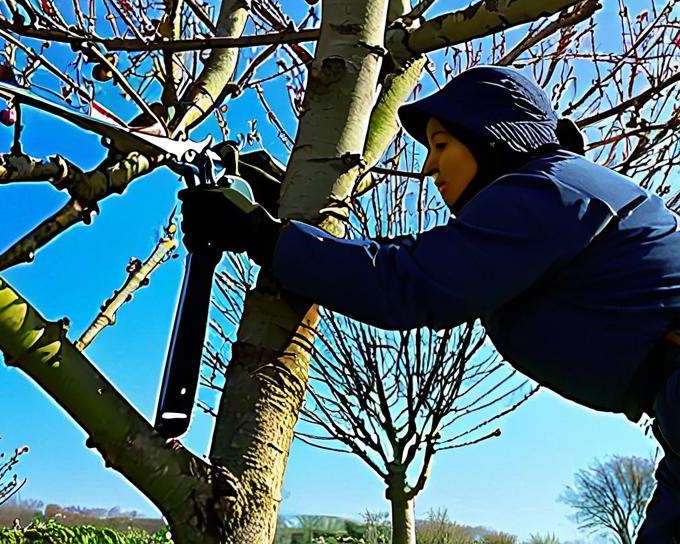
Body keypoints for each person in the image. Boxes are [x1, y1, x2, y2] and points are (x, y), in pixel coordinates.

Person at [180, 65, 680, 543]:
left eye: (441, 144)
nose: (429, 165)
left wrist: (261, 237)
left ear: (495, 137)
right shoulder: (553, 195)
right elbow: (409, 260)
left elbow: (409, 282)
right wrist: (285, 211)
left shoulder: (545, 190)